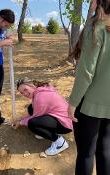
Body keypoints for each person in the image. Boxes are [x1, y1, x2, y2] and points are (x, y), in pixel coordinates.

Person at [68, 0, 110, 174]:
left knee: (86, 154)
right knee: (105, 150)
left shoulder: (96, 28)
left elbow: (86, 72)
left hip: (89, 104)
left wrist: (72, 102)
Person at [13, 78, 73, 156]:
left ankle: (60, 143)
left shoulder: (40, 97)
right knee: (31, 108)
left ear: (32, 85)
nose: (25, 93)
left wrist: (20, 122)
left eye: (25, 89)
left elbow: (35, 117)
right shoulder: (41, 90)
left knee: (32, 124)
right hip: (64, 118)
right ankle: (45, 132)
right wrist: (22, 119)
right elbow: (35, 112)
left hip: (65, 125)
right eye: (22, 93)